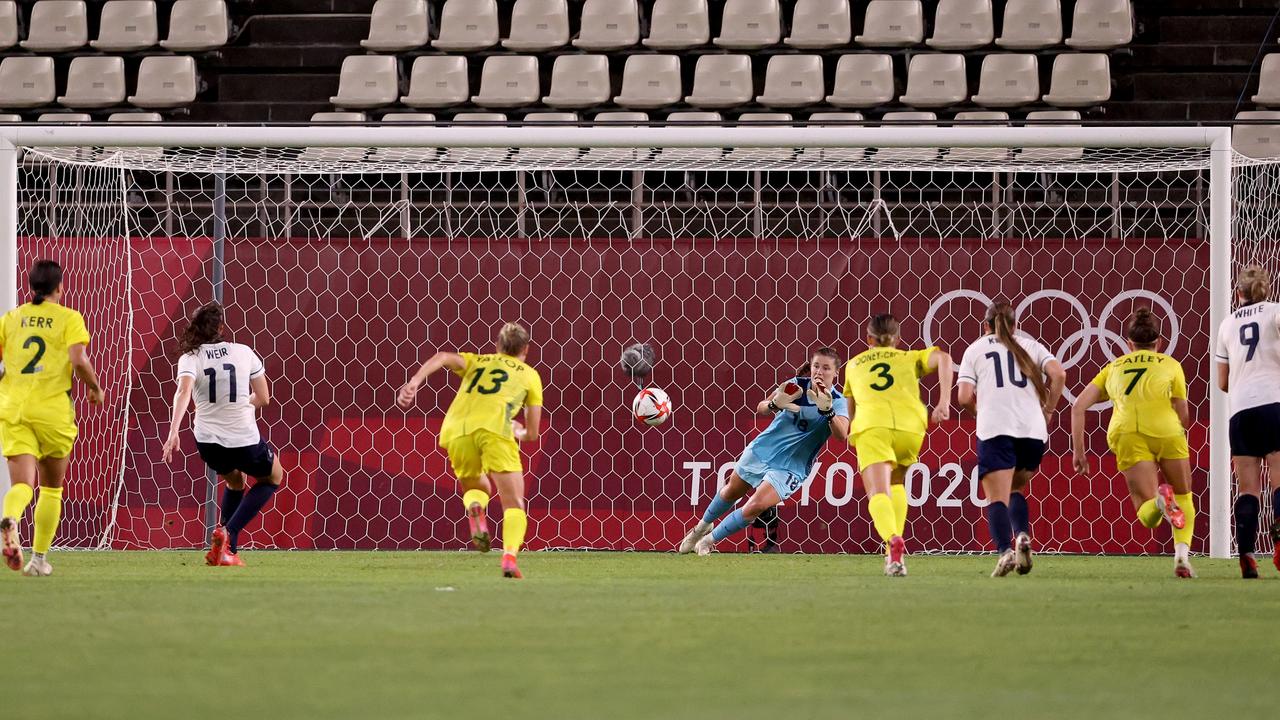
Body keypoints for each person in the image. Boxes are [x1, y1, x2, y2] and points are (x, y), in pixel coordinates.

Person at [397, 322, 543, 579]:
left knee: (478, 488)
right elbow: (531, 433)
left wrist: (414, 383)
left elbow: (442, 357)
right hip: (495, 430)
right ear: (526, 350)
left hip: (456, 430)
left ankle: (475, 506)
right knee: (514, 504)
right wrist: (517, 431)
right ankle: (509, 557)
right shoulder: (530, 376)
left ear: (497, 345)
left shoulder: (478, 361)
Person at [679, 348, 849, 556]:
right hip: (764, 449)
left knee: (756, 505)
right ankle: (702, 527)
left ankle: (709, 540)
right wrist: (773, 404)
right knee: (731, 490)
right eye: (816, 366)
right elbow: (761, 408)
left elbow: (842, 435)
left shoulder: (838, 401)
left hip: (792, 466)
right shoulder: (795, 386)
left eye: (826, 368)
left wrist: (828, 412)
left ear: (836, 373)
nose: (819, 372)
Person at [1072, 308, 1196, 578]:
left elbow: (1078, 406)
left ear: (1129, 344)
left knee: (1145, 511)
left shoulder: (1113, 368)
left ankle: (1161, 503)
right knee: (1185, 496)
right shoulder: (1170, 365)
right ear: (1158, 342)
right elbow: (1183, 413)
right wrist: (1177, 433)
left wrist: (1079, 453)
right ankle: (1182, 558)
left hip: (1127, 432)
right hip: (1166, 428)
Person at [0, 259, 105, 577]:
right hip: (52, 411)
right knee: (51, 489)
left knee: (22, 484)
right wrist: (95, 388)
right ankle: (39, 559)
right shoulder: (69, 318)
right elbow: (78, 359)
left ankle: (10, 519)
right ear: (60, 287)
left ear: (31, 286)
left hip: (14, 407)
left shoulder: (12, 318)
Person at [161, 302, 282, 567]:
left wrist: (173, 432)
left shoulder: (190, 357)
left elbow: (183, 392)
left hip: (208, 442)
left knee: (234, 481)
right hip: (243, 437)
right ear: (221, 328)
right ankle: (230, 532)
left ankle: (225, 552)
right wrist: (240, 405)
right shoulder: (243, 352)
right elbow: (264, 398)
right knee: (274, 476)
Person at [956, 302, 1065, 577]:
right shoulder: (1031, 346)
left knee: (996, 497)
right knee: (1016, 488)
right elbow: (1059, 374)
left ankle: (1006, 551)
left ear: (985, 326)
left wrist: (980, 411)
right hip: (1032, 430)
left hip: (996, 428)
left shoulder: (975, 349)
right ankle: (1023, 536)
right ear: (1015, 325)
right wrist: (1049, 410)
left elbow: (963, 397)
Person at [844, 314, 953, 577]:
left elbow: (852, 402)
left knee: (878, 493)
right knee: (896, 485)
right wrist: (943, 401)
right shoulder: (909, 357)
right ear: (898, 339)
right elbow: (945, 359)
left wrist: (852, 427)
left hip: (874, 426)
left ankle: (893, 539)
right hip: (911, 427)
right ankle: (893, 557)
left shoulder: (854, 364)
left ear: (868, 338)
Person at [1214, 265, 1280, 578]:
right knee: (1279, 480)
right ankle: (1279, 546)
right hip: (1274, 406)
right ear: (1266, 290)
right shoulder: (1275, 312)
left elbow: (1222, 381)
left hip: (1240, 412)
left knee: (1248, 489)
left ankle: (1246, 554)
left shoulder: (1226, 325)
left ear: (1238, 293)